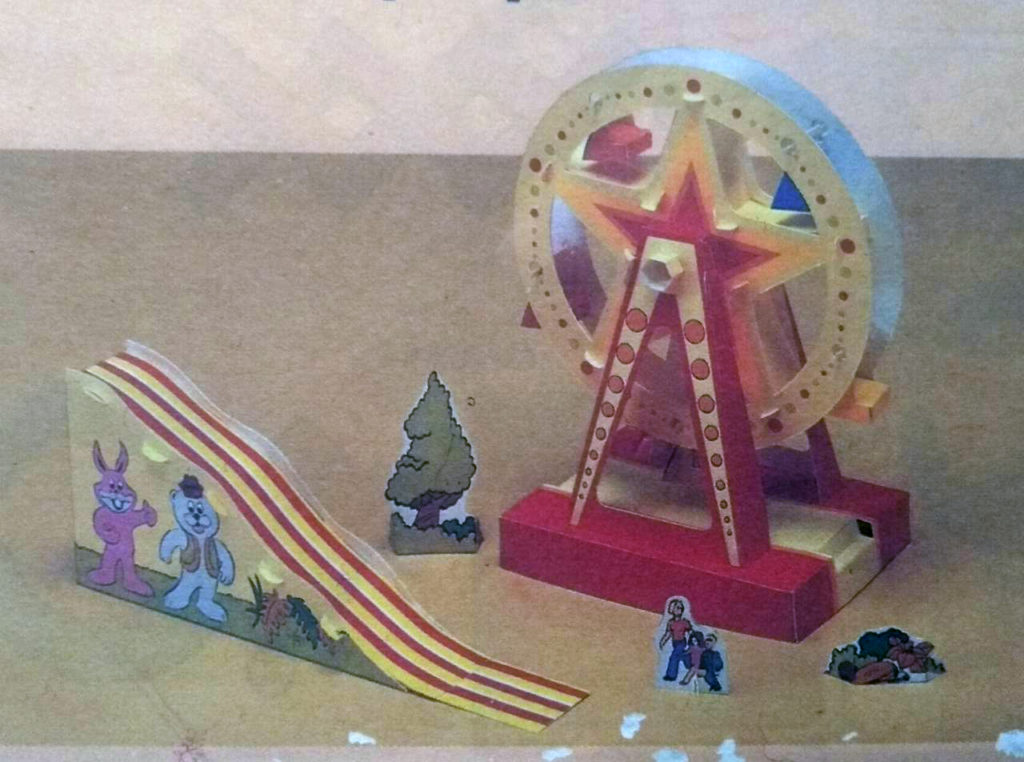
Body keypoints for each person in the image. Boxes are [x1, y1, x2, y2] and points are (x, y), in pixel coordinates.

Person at [658, 598, 692, 681]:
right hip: (675, 643)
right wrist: (662, 642)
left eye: (680, 608)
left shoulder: (684, 622)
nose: (679, 610)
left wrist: (692, 643)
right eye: (677, 608)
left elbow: (691, 632)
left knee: (674, 657)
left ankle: (671, 675)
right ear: (672, 609)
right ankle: (689, 662)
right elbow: (668, 633)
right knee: (681, 655)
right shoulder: (671, 622)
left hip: (682, 642)